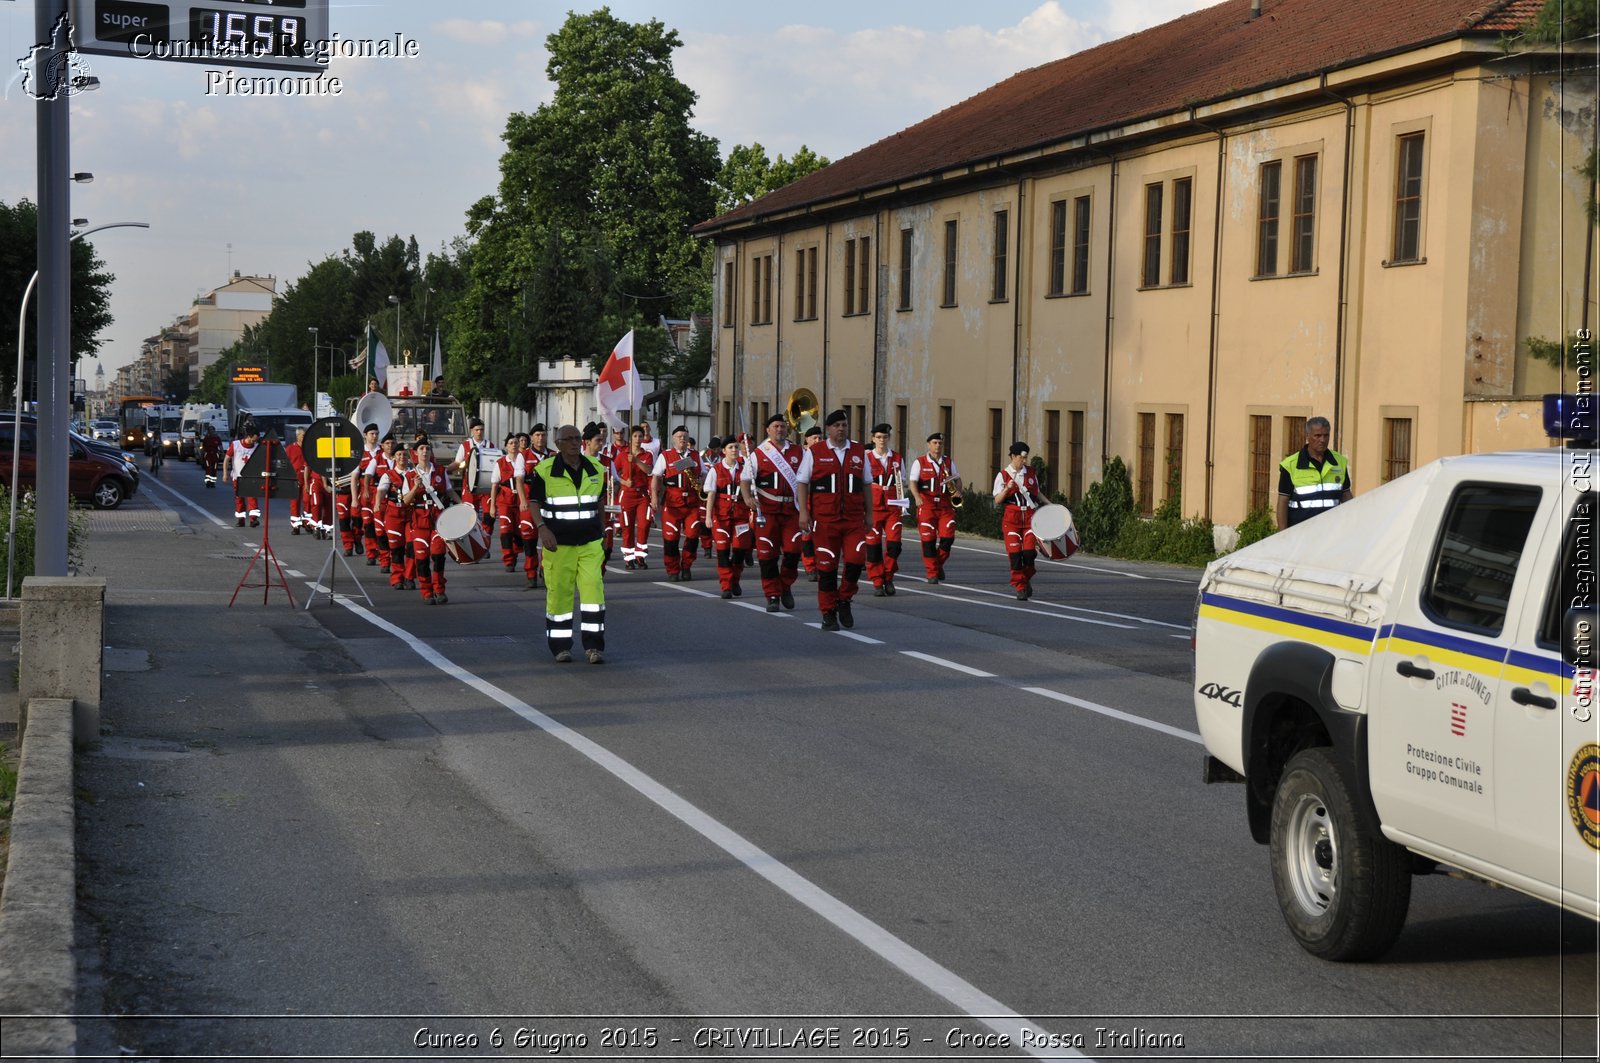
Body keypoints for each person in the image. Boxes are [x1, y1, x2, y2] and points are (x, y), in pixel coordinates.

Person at [525, 424, 609, 664]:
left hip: (590, 543)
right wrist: (542, 528)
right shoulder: (544, 470)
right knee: (560, 596)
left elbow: (599, 502)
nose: (575, 442)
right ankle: (560, 647)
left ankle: (594, 647)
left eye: (577, 438)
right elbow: (534, 502)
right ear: (558, 443)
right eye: (569, 439)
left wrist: (603, 531)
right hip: (558, 545)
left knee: (593, 594)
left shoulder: (596, 468)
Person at [795, 410, 873, 630]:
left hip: (853, 519)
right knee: (827, 567)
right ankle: (828, 612)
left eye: (844, 425)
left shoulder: (858, 451)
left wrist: (870, 513)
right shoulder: (815, 452)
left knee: (857, 560)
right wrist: (803, 512)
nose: (841, 429)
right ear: (828, 429)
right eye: (837, 425)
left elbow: (866, 484)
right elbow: (802, 482)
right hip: (825, 520)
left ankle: (845, 599)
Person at [741, 414, 805, 612]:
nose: (780, 429)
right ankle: (772, 595)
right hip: (767, 510)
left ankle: (785, 585)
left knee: (794, 551)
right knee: (767, 555)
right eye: (775, 426)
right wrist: (747, 498)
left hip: (791, 510)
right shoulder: (759, 453)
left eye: (783, 426)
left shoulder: (798, 451)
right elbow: (745, 479)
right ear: (768, 430)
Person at [402, 439, 460, 604]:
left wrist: (463, 505)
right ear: (415, 453)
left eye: (427, 448)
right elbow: (405, 501)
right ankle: (426, 591)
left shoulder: (440, 471)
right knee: (421, 559)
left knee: (438, 555)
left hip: (438, 520)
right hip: (419, 521)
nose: (425, 451)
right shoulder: (410, 475)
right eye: (421, 449)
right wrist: (415, 487)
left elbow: (449, 491)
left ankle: (439, 589)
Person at [1277, 416, 1353, 529]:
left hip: (1332, 531)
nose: (1322, 440)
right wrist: (1283, 536)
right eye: (1317, 436)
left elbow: (1346, 496)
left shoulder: (1339, 462)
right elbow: (1283, 502)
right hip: (1301, 532)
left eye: (1326, 435)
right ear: (1307, 436)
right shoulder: (1290, 465)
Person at [651, 425, 704, 582]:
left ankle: (687, 565)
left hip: (692, 503)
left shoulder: (695, 455)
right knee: (671, 539)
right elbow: (656, 477)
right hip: (673, 503)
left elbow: (705, 474)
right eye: (679, 436)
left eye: (685, 436)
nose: (682, 438)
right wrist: (654, 497)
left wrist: (700, 482)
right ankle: (673, 569)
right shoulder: (666, 456)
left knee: (693, 535)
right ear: (673, 439)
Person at [908, 432, 962, 583]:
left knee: (948, 538)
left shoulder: (949, 462)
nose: (937, 446)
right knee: (928, 540)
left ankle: (937, 565)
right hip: (927, 504)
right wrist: (917, 497)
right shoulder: (920, 462)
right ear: (928, 445)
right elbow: (913, 482)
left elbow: (958, 480)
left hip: (945, 505)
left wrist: (958, 492)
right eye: (934, 443)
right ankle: (932, 573)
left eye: (940, 443)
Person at [703, 437, 753, 598]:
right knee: (723, 551)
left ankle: (735, 579)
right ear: (724, 451)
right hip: (721, 516)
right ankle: (726, 586)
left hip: (740, 516)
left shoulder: (746, 468)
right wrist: (708, 517)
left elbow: (752, 491)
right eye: (730, 447)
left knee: (740, 550)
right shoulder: (716, 470)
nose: (734, 450)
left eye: (736, 447)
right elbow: (711, 494)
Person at [994, 441, 1043, 600]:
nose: (1024, 461)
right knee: (1015, 556)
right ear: (1013, 457)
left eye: (1026, 458)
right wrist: (1007, 488)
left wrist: (1053, 506)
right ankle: (1020, 587)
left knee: (1029, 553)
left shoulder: (1030, 472)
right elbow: (997, 500)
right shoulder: (1003, 475)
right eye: (1021, 458)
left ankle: (1026, 578)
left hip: (1029, 517)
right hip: (1012, 519)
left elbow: (1037, 494)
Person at [865, 422, 907, 596]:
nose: (882, 440)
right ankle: (877, 581)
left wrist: (903, 504)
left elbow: (902, 481)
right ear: (873, 439)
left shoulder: (897, 458)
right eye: (879, 437)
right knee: (873, 547)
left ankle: (888, 576)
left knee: (894, 545)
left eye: (885, 437)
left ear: (889, 438)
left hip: (893, 506)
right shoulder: (866, 458)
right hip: (873, 506)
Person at [612, 425, 655, 569]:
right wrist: (624, 481)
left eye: (640, 436)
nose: (638, 439)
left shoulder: (647, 454)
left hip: (642, 494)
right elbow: (614, 472)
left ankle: (640, 555)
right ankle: (628, 558)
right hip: (627, 494)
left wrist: (636, 461)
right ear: (630, 438)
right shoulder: (623, 454)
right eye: (635, 436)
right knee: (627, 526)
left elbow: (649, 470)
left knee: (644, 525)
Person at [374, 444, 416, 591]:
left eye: (404, 455)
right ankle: (397, 578)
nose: (402, 458)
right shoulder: (388, 475)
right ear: (394, 457)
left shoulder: (414, 473)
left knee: (411, 547)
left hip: (410, 514)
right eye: (399, 455)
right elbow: (381, 490)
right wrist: (377, 503)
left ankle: (410, 577)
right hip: (393, 514)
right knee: (396, 548)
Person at [798, 424, 823, 581]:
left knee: (821, 534)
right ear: (806, 440)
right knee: (807, 535)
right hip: (805, 498)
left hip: (821, 499)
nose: (818, 440)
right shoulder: (801, 455)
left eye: (820, 437)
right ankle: (810, 566)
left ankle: (821, 564)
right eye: (814, 438)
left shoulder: (825, 455)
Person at [227, 422, 261, 527]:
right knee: (239, 499)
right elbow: (226, 459)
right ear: (248, 436)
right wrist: (225, 473)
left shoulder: (256, 447)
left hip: (251, 478)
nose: (254, 442)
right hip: (238, 477)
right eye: (253, 440)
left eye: (256, 440)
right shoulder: (236, 445)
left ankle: (253, 519)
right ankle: (240, 519)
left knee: (252, 497)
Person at [452, 418, 489, 515]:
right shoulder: (465, 445)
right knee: (469, 514)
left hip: (486, 486)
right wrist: (446, 470)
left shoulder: (489, 445)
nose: (479, 432)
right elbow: (457, 463)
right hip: (469, 485)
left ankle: (486, 531)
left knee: (488, 516)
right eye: (477, 430)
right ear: (472, 431)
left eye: (481, 430)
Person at [285, 427, 309, 535]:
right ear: (297, 436)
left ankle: (307, 523)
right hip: (295, 480)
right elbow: (285, 465)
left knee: (307, 502)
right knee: (295, 503)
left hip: (307, 480)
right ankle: (296, 526)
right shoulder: (290, 449)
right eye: (303, 435)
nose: (305, 438)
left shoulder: (309, 449)